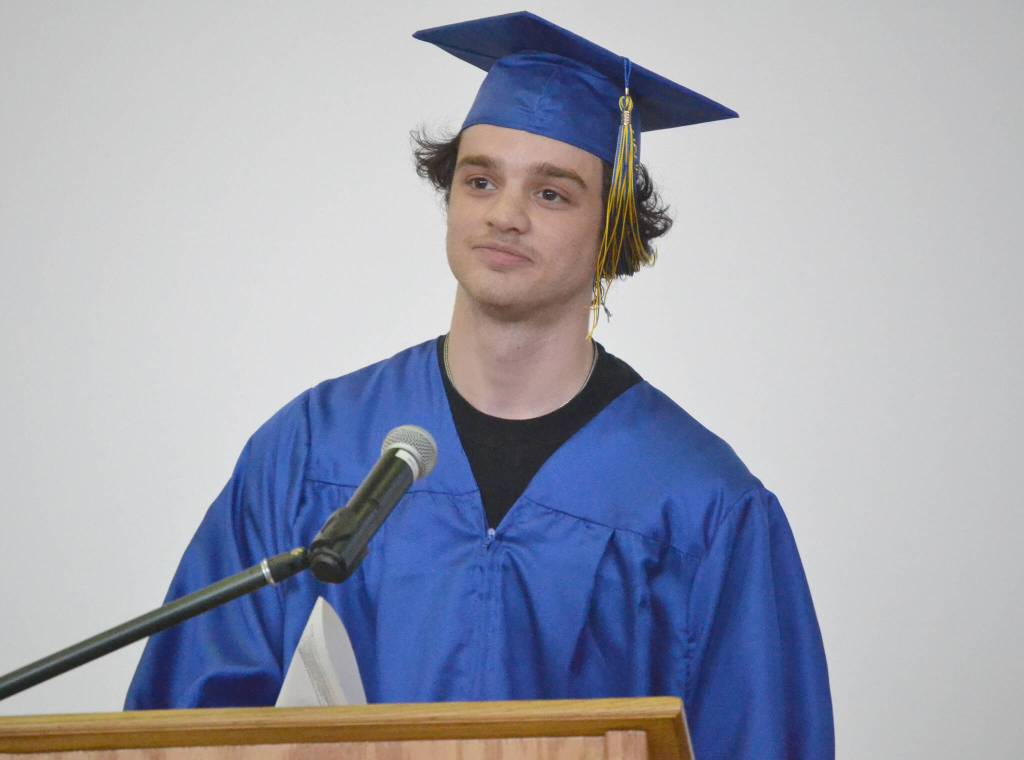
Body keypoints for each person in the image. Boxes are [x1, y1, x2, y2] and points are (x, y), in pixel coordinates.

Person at [125, 12, 834, 759]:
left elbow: (762, 739)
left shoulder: (701, 504)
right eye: (480, 180)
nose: (504, 214)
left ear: (612, 230)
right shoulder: (311, 451)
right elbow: (181, 727)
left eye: (552, 194)